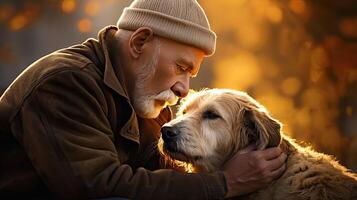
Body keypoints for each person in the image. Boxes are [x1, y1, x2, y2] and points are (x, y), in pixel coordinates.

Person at [0, 0, 287, 199]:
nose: (184, 89)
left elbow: (165, 179)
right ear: (139, 42)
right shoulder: (66, 82)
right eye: (181, 67)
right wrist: (224, 184)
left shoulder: (145, 97)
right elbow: (96, 186)